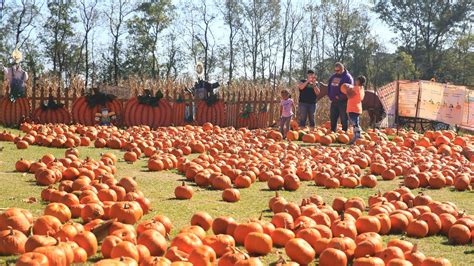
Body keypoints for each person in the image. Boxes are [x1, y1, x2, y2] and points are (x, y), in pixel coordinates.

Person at [328, 62, 353, 132]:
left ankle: (344, 132)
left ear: (342, 69)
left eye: (338, 70)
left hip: (343, 102)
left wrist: (340, 96)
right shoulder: (333, 77)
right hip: (334, 101)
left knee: (344, 118)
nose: (336, 72)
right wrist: (330, 95)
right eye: (335, 70)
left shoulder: (348, 77)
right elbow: (329, 86)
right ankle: (333, 131)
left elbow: (350, 90)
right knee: (333, 118)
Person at [341, 75, 366, 144]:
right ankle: (357, 135)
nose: (355, 81)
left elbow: (349, 95)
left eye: (356, 80)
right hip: (358, 108)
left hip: (353, 108)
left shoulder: (356, 88)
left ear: (358, 81)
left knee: (354, 122)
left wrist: (346, 89)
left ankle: (357, 134)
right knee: (355, 121)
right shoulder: (362, 89)